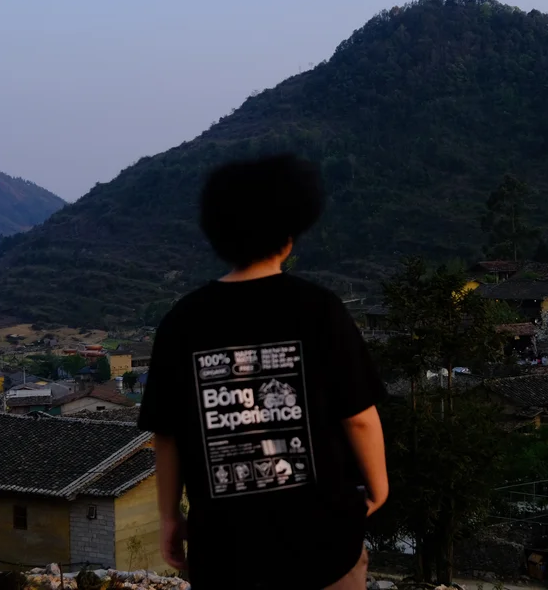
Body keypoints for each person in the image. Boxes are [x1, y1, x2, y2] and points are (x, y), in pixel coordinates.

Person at [137, 154, 388, 590]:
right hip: (324, 546)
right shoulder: (320, 309)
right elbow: (360, 417)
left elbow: (167, 437)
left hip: (226, 553)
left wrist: (168, 518)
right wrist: (378, 487)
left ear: (216, 236)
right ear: (289, 237)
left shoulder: (182, 321)